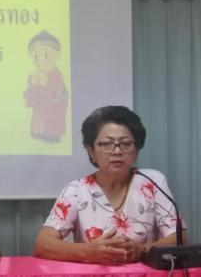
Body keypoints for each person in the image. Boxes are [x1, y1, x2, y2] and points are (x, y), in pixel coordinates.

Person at [34, 105, 187, 264]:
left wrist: (142, 250)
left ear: (137, 149)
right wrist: (88, 252)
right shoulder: (76, 190)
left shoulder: (152, 181)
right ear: (91, 151)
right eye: (106, 144)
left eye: (126, 143)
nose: (117, 151)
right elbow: (42, 244)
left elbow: (179, 237)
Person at [22, 30, 69, 143]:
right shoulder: (33, 76)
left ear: (57, 55)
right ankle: (38, 132)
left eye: (46, 54)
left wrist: (43, 83)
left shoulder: (56, 75)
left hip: (54, 109)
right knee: (38, 123)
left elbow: (53, 93)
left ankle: (51, 135)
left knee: (51, 126)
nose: (41, 59)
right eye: (35, 55)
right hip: (39, 109)